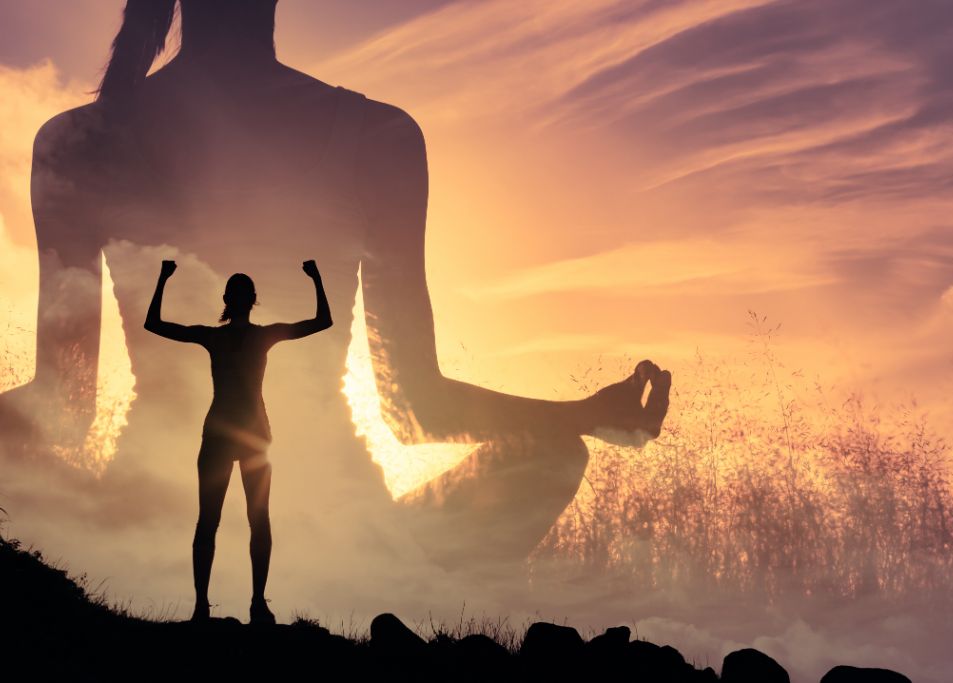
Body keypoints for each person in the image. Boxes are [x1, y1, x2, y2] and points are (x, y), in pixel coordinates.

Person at [1, 0, 672, 584]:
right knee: (555, 451)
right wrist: (583, 414)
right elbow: (417, 408)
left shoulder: (81, 140)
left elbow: (62, 410)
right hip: (349, 531)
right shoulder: (377, 136)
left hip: (142, 524)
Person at [144, 258, 333, 623]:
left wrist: (317, 279)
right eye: (240, 292)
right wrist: (162, 278)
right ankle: (213, 606)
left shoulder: (249, 336)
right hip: (231, 434)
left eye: (243, 292)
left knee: (245, 520)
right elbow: (153, 325)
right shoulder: (230, 336)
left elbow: (322, 322)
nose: (242, 298)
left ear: (238, 299)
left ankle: (252, 603)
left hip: (245, 435)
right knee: (221, 521)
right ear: (236, 299)